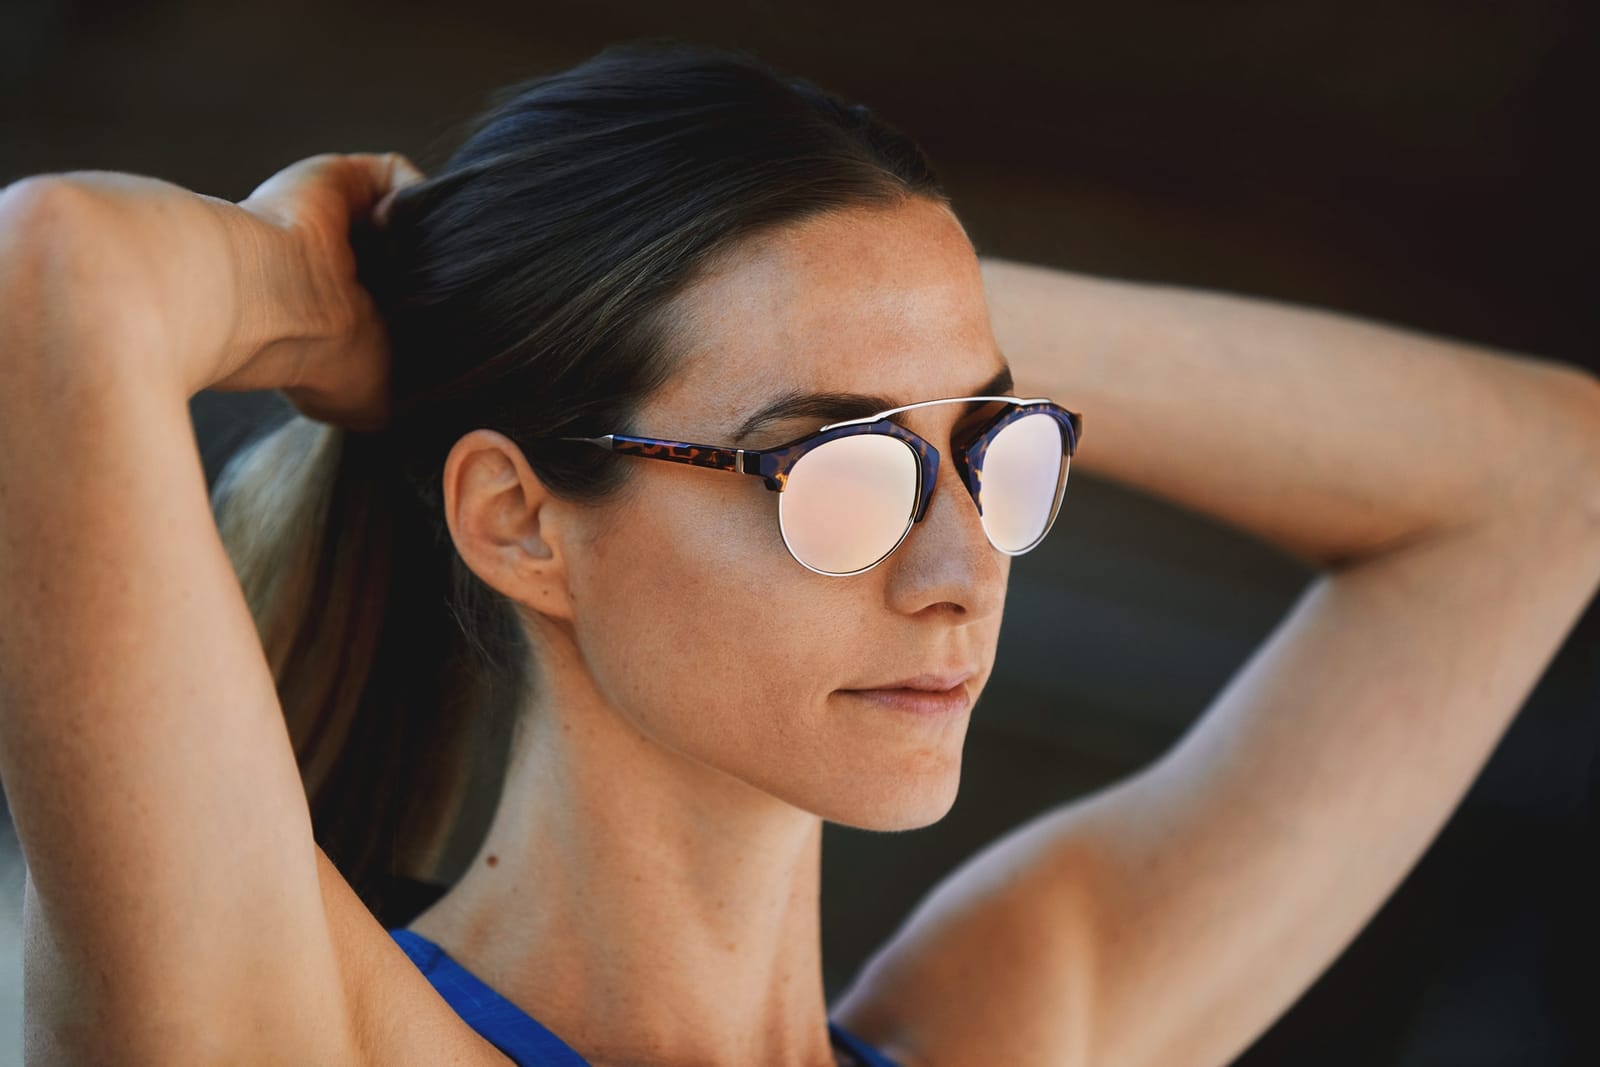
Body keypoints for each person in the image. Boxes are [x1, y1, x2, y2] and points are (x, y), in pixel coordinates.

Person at [1, 38, 1597, 1067]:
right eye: (842, 468)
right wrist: (343, 303)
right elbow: (60, 270)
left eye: (988, 449)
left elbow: (1548, 482)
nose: (960, 574)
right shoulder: (281, 1029)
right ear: (519, 520)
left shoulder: (1026, 1020)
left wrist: (897, 310)